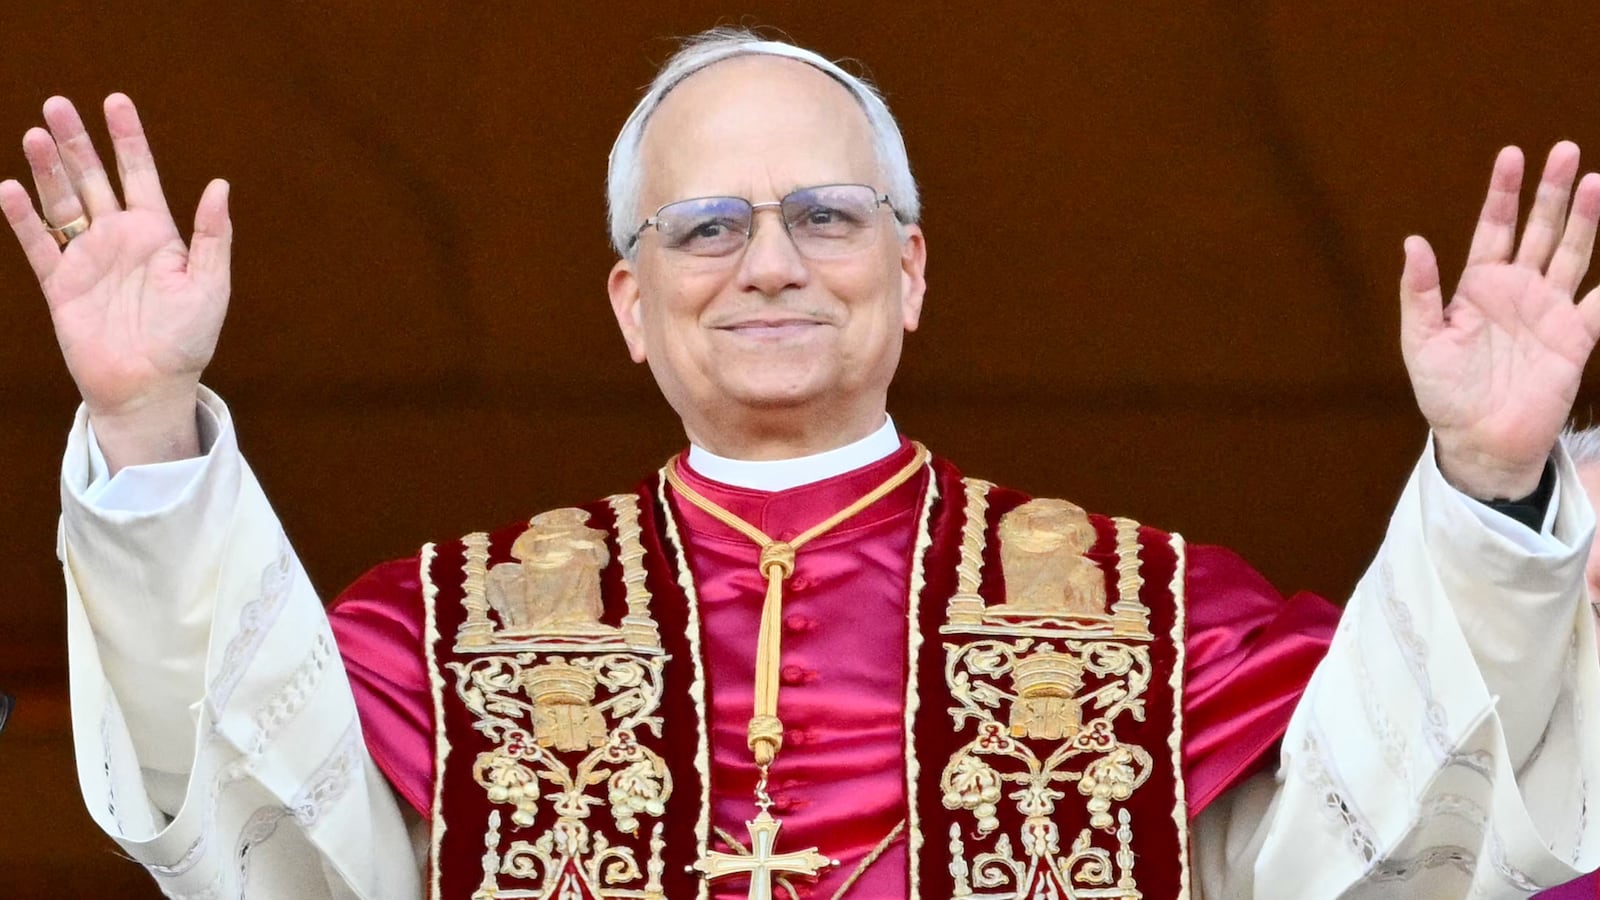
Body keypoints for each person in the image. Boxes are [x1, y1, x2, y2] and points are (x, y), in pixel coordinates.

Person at [3, 28, 1599, 900]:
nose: (769, 262)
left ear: (912, 272)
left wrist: (1487, 488)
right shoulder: (449, 631)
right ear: (632, 305)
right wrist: (148, 429)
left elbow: (1386, 848)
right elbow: (255, 837)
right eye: (706, 226)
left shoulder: (1157, 615)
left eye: (823, 216)